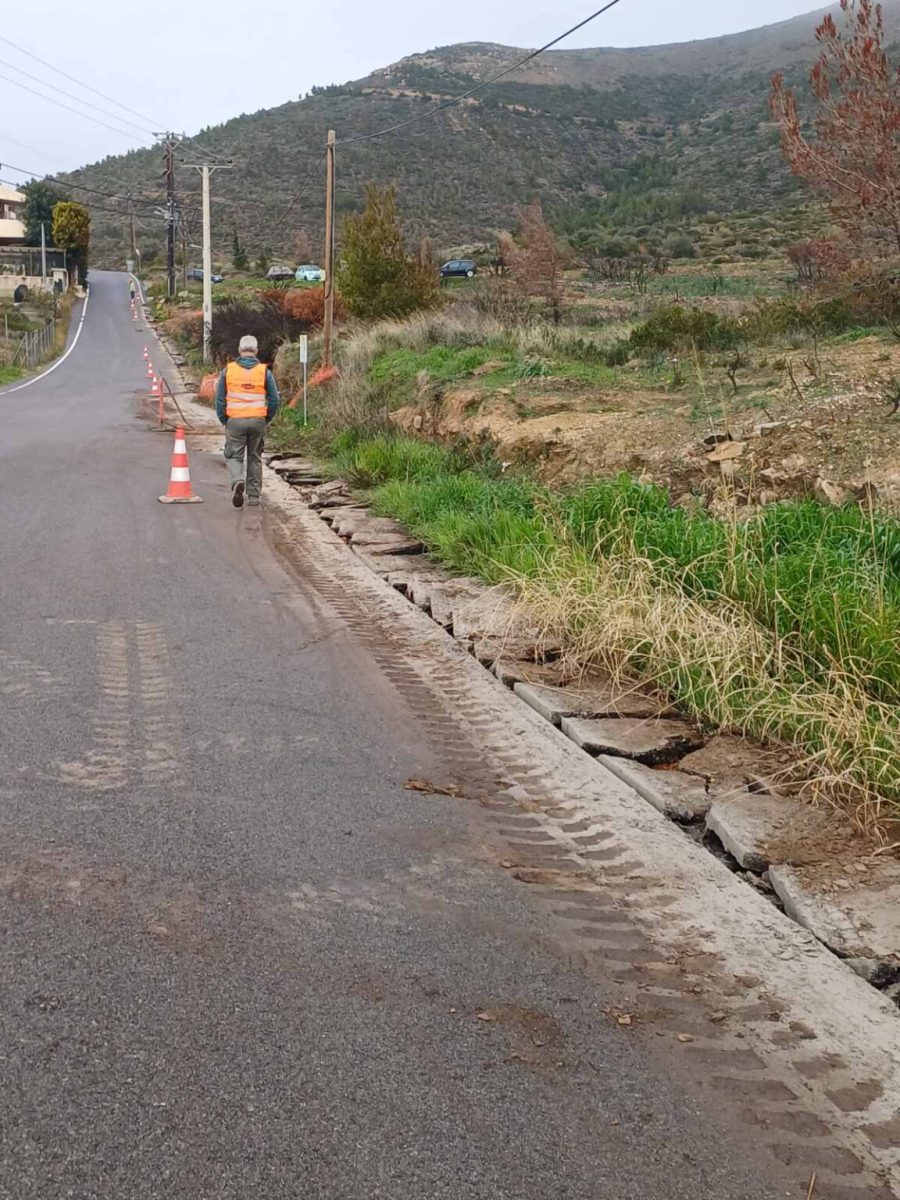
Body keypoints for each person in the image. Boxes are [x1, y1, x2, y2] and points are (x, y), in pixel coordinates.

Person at [215, 334, 280, 508]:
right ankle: (253, 496)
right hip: (258, 420)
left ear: (239, 351)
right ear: (256, 351)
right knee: (255, 457)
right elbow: (274, 399)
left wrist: (224, 419)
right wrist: (266, 418)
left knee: (233, 455)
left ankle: (237, 480)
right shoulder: (264, 372)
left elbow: (220, 399)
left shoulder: (228, 371)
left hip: (235, 420)